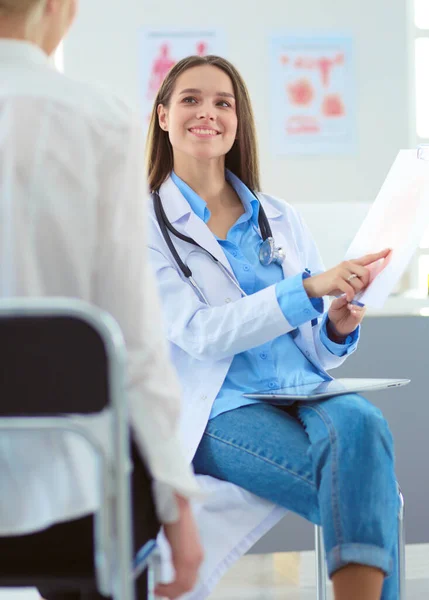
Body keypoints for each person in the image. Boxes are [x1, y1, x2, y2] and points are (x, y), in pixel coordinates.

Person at [146, 54, 399, 600]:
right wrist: (308, 289)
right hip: (220, 409)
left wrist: (333, 324)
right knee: (372, 494)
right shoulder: (143, 223)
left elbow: (315, 348)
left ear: (239, 121)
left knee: (362, 418)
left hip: (302, 392)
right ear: (163, 115)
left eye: (223, 102)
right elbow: (200, 333)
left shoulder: (279, 215)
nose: (207, 113)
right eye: (190, 99)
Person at [0, 2, 203, 599]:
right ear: (59, 8)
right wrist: (177, 501)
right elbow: (133, 338)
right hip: (73, 510)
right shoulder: (96, 120)